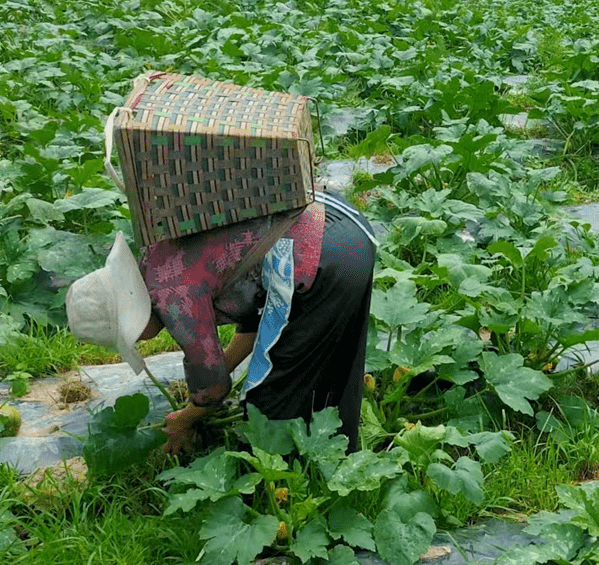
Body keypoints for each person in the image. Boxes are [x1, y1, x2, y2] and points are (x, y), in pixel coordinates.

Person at [65, 191, 377, 456]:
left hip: (318, 255)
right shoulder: (154, 255)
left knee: (267, 403)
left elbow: (214, 389)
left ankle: (287, 490)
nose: (140, 342)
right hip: (341, 224)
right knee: (328, 364)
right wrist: (219, 368)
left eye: (132, 337)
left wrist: (184, 419)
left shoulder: (172, 297)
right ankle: (338, 458)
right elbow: (255, 318)